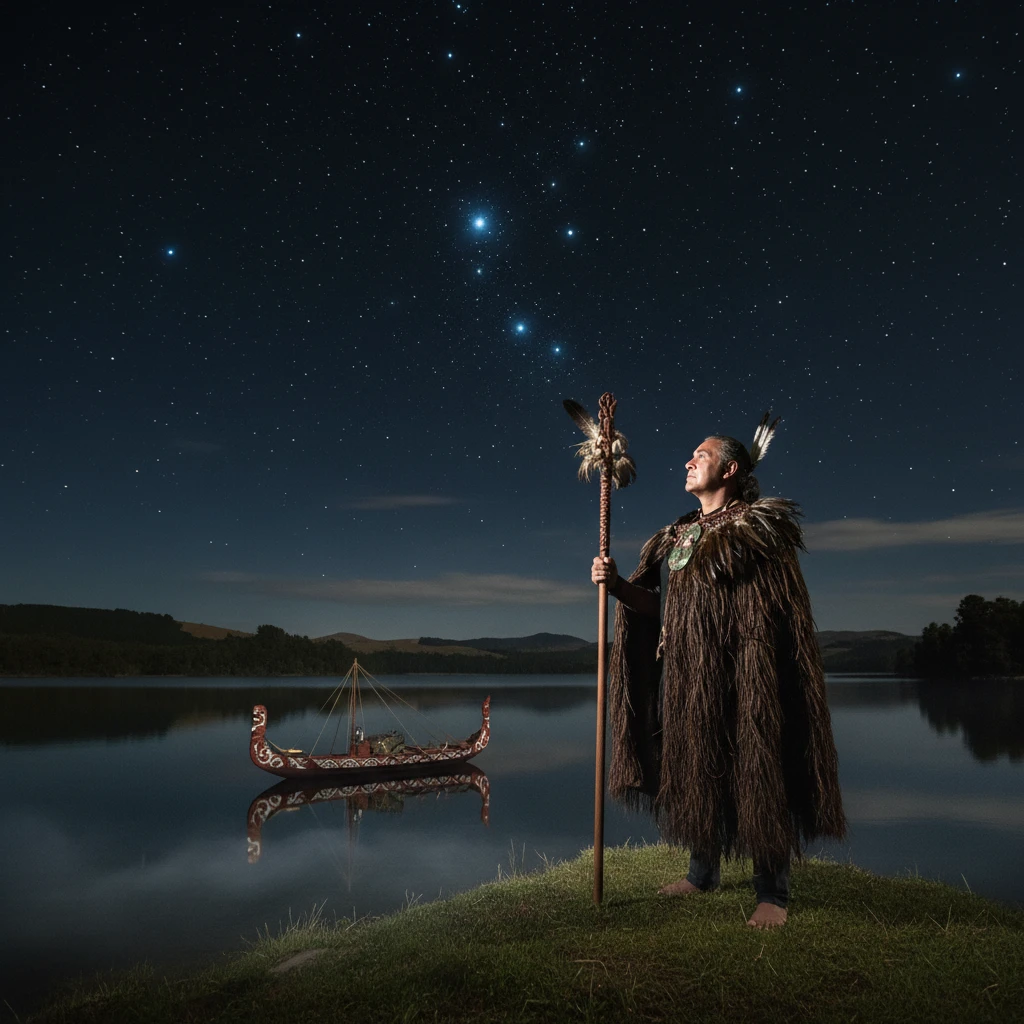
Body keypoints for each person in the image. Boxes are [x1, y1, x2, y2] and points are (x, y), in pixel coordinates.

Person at [591, 415, 846, 929]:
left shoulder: (757, 529)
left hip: (746, 672)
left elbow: (773, 610)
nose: (688, 461)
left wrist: (753, 664)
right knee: (695, 766)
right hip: (686, 676)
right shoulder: (677, 534)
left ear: (729, 469)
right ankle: (701, 873)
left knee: (757, 766)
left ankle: (772, 893)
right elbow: (661, 607)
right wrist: (617, 586)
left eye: (701, 455)